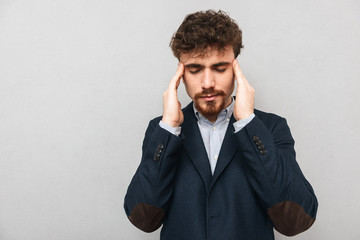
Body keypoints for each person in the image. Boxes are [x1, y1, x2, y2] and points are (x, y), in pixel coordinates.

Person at [124, 10, 318, 240]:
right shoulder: (162, 131)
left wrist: (247, 122)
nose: (208, 83)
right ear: (181, 73)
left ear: (236, 69)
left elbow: (295, 221)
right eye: (195, 69)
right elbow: (144, 220)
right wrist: (169, 128)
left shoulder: (271, 128)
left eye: (220, 68)